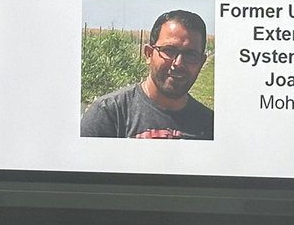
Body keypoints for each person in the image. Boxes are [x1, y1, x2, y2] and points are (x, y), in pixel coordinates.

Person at [80, 9, 213, 139]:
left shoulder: (210, 125)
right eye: (169, 51)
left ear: (201, 62)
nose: (178, 63)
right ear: (148, 54)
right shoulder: (109, 115)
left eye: (190, 55)